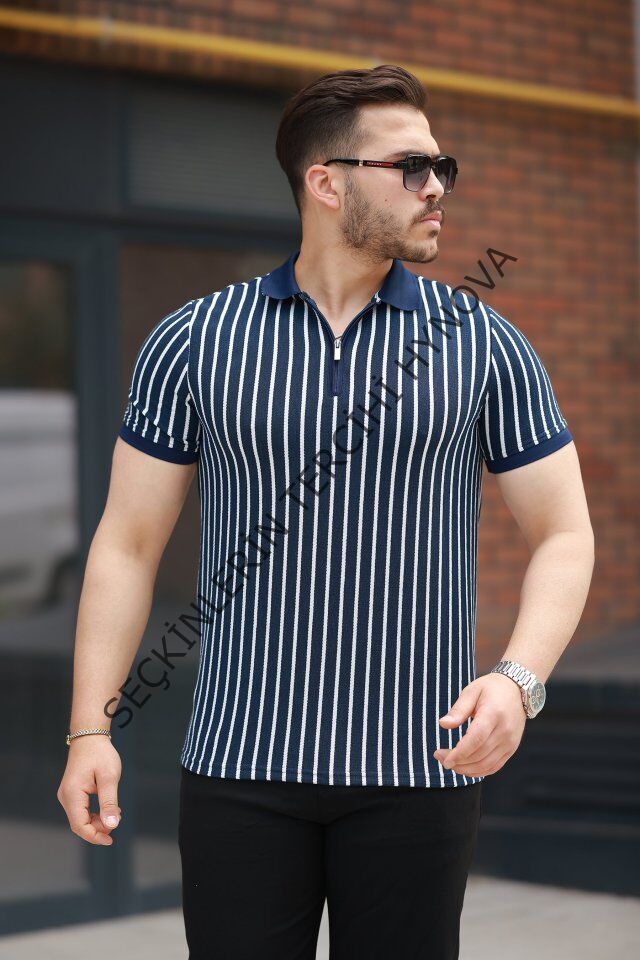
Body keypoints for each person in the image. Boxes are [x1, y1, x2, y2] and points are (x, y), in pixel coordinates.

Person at [57, 64, 595, 959]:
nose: (437, 186)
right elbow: (128, 544)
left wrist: (518, 678)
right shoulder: (194, 340)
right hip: (239, 765)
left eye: (443, 167)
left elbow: (565, 534)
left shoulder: (486, 344)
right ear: (326, 182)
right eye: (411, 167)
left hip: (420, 767)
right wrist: (89, 730)